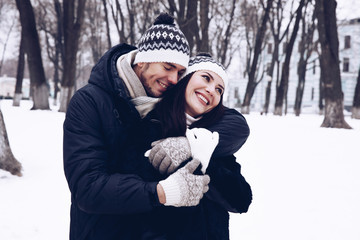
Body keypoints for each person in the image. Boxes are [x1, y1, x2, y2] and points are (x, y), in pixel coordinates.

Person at [63, 12, 249, 240]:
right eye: (168, 66)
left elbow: (238, 126)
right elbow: (88, 188)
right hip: (99, 230)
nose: (172, 79)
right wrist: (162, 192)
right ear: (143, 60)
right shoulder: (94, 102)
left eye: (180, 73)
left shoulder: (193, 122)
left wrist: (194, 147)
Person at [134, 53, 252, 239]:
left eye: (219, 90)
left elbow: (241, 200)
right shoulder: (149, 125)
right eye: (206, 78)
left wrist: (198, 155)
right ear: (185, 79)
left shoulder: (210, 138)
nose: (212, 90)